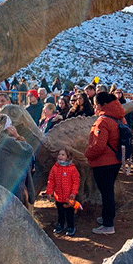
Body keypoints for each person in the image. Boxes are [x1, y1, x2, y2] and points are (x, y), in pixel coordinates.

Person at [85, 92, 125, 235]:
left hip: (103, 163)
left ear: (101, 105)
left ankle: (108, 225)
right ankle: (107, 217)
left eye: (95, 103)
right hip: (115, 160)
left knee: (107, 194)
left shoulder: (103, 121)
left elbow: (98, 146)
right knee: (108, 192)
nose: (94, 106)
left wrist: (87, 154)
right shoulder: (119, 118)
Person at [46, 148, 81, 236]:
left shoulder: (72, 168)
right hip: (58, 196)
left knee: (69, 213)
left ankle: (71, 226)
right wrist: (49, 192)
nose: (60, 156)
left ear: (68, 157)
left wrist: (74, 192)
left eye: (63, 155)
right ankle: (60, 225)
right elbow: (51, 181)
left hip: (69, 197)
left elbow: (76, 181)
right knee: (60, 212)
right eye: (59, 154)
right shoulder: (55, 168)